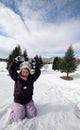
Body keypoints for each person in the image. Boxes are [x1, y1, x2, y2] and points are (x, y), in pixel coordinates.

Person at [8, 56, 41, 123]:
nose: (25, 73)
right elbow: (11, 70)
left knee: (32, 115)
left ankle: (28, 107)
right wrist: (15, 61)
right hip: (18, 101)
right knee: (18, 118)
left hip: (28, 100)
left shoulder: (31, 79)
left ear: (29, 72)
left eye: (27, 72)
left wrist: (34, 63)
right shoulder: (16, 77)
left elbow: (38, 72)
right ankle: (14, 108)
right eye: (23, 71)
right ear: (21, 71)